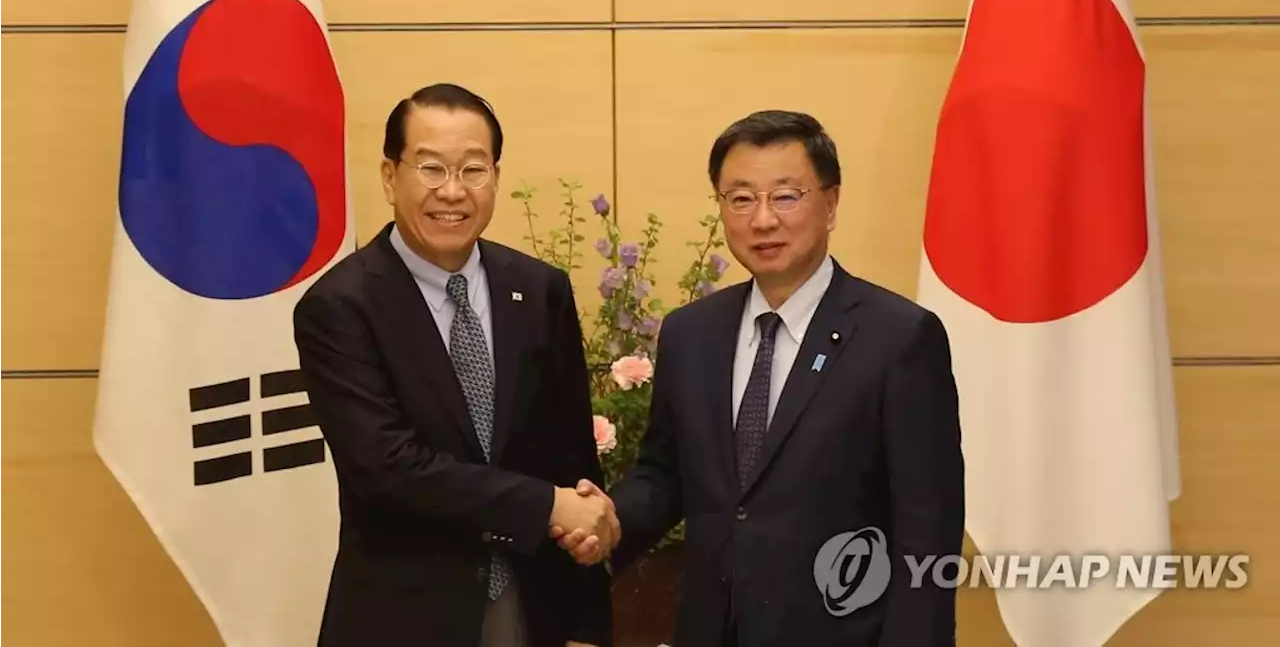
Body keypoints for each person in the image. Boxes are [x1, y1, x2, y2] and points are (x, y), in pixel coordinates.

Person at [556, 109, 965, 646]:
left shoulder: (899, 338)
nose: (763, 220)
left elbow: (927, 527)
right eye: (741, 198)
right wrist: (608, 523)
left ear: (831, 203)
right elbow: (664, 476)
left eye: (786, 196)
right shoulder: (691, 334)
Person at [294, 83, 615, 647]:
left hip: (531, 608)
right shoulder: (340, 307)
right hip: (402, 617)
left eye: (473, 169)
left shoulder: (539, 290)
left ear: (495, 176)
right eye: (431, 168)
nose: (453, 191)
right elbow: (390, 469)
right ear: (391, 177)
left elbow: (573, 459)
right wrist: (547, 506)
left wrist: (588, 619)